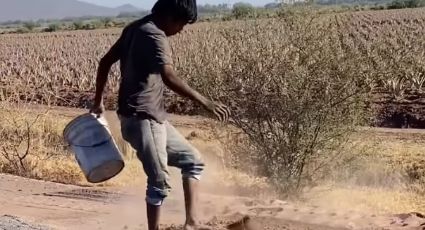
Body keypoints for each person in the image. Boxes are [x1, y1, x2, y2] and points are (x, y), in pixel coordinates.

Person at [89, 0, 230, 229]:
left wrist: (98, 102)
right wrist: (206, 102)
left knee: (193, 161)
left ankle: (192, 223)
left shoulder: (134, 28)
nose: (181, 30)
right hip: (143, 119)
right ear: (170, 16)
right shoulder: (155, 35)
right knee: (159, 181)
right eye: (182, 24)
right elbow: (169, 76)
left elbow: (105, 62)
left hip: (146, 118)